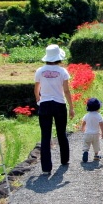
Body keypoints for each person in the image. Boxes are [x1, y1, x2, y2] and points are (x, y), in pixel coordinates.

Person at [34, 44, 75, 175]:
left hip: (45, 104)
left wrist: (38, 100)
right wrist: (71, 108)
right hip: (59, 104)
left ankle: (46, 168)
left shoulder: (39, 71)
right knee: (61, 132)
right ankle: (64, 159)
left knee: (45, 136)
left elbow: (36, 89)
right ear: (59, 57)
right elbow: (67, 91)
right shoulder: (62, 71)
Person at [81, 98, 103, 163]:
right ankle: (96, 156)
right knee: (96, 145)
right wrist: (102, 133)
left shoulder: (87, 115)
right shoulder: (99, 115)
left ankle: (85, 152)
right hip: (96, 134)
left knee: (86, 144)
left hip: (87, 133)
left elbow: (83, 123)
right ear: (98, 107)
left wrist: (82, 128)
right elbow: (101, 125)